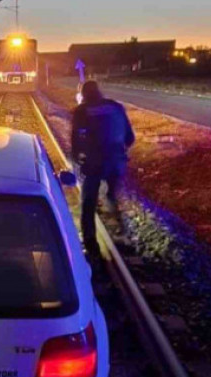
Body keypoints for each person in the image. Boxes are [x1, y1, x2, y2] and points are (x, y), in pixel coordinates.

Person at [71, 80, 135, 258]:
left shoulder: (82, 111)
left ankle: (90, 242)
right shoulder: (116, 107)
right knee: (111, 196)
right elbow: (130, 138)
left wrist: (79, 159)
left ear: (83, 95)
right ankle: (122, 235)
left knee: (88, 202)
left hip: (94, 163)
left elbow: (76, 142)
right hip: (116, 161)